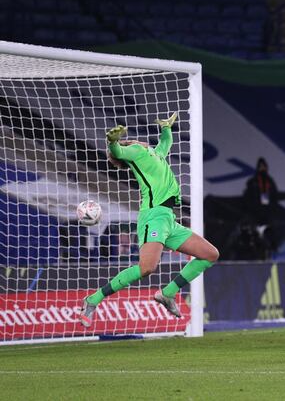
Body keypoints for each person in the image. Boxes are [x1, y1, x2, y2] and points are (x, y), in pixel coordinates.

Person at [79, 113, 219, 326]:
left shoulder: (155, 153)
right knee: (146, 268)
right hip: (153, 216)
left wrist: (166, 128)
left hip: (168, 219)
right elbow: (118, 152)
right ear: (131, 143)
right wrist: (113, 142)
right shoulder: (136, 152)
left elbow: (165, 143)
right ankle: (93, 300)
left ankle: (168, 293)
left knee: (209, 254)